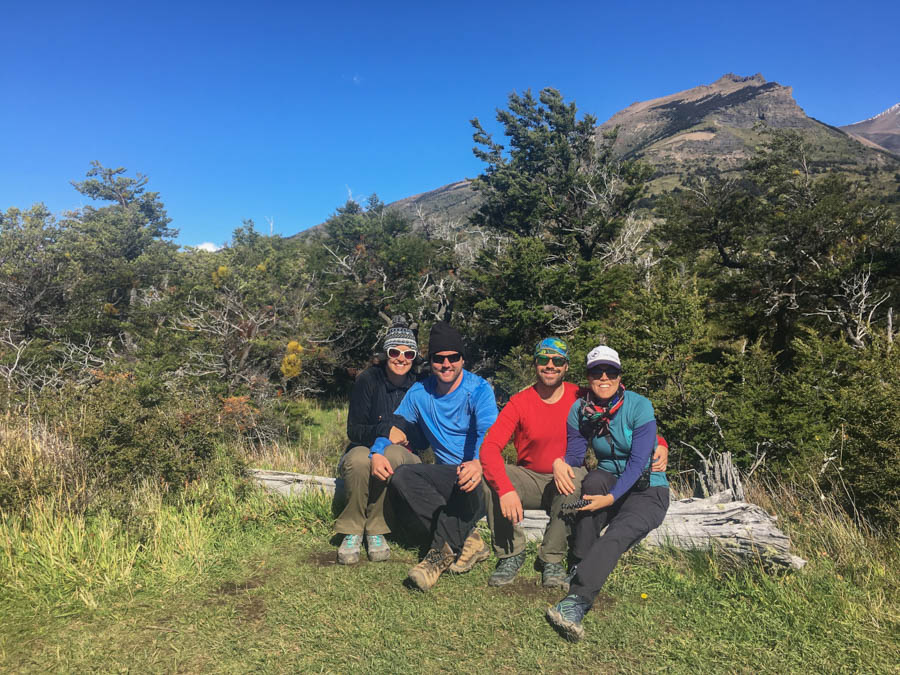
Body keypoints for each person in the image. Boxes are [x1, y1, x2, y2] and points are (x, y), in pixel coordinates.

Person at [480, 338, 669, 588]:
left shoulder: (582, 395)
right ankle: (510, 554)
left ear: (566, 366)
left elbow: (624, 418)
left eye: (557, 360)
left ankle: (553, 558)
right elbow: (490, 447)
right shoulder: (520, 402)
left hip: (568, 475)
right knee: (491, 477)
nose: (550, 366)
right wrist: (505, 489)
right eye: (543, 360)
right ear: (535, 364)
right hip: (530, 476)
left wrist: (660, 442)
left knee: (577, 479)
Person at [546, 345, 670, 642]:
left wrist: (612, 498)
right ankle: (579, 561)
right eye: (596, 371)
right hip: (609, 480)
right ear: (587, 376)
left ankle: (577, 599)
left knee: (617, 532)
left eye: (610, 371)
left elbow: (640, 461)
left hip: (648, 487)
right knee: (593, 482)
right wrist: (558, 463)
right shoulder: (580, 411)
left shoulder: (638, 405)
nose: (604, 377)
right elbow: (576, 455)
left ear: (619, 375)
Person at [369, 321, 499, 591]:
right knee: (403, 476)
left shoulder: (478, 389)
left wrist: (477, 462)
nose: (446, 364)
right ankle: (470, 539)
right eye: (439, 358)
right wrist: (377, 452)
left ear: (462, 359)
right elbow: (397, 426)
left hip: (480, 473)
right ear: (431, 362)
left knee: (465, 478)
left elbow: (490, 432)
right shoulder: (420, 393)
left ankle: (436, 558)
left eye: (453, 357)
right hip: (446, 475)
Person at [334, 318, 427, 564]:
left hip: (405, 452)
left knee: (393, 455)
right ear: (385, 354)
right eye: (394, 351)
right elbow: (354, 430)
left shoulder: (420, 386)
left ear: (415, 356)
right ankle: (352, 529)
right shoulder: (368, 380)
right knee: (356, 459)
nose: (401, 358)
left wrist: (402, 436)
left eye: (409, 353)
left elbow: (423, 439)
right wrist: (386, 430)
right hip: (365, 446)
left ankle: (377, 527)